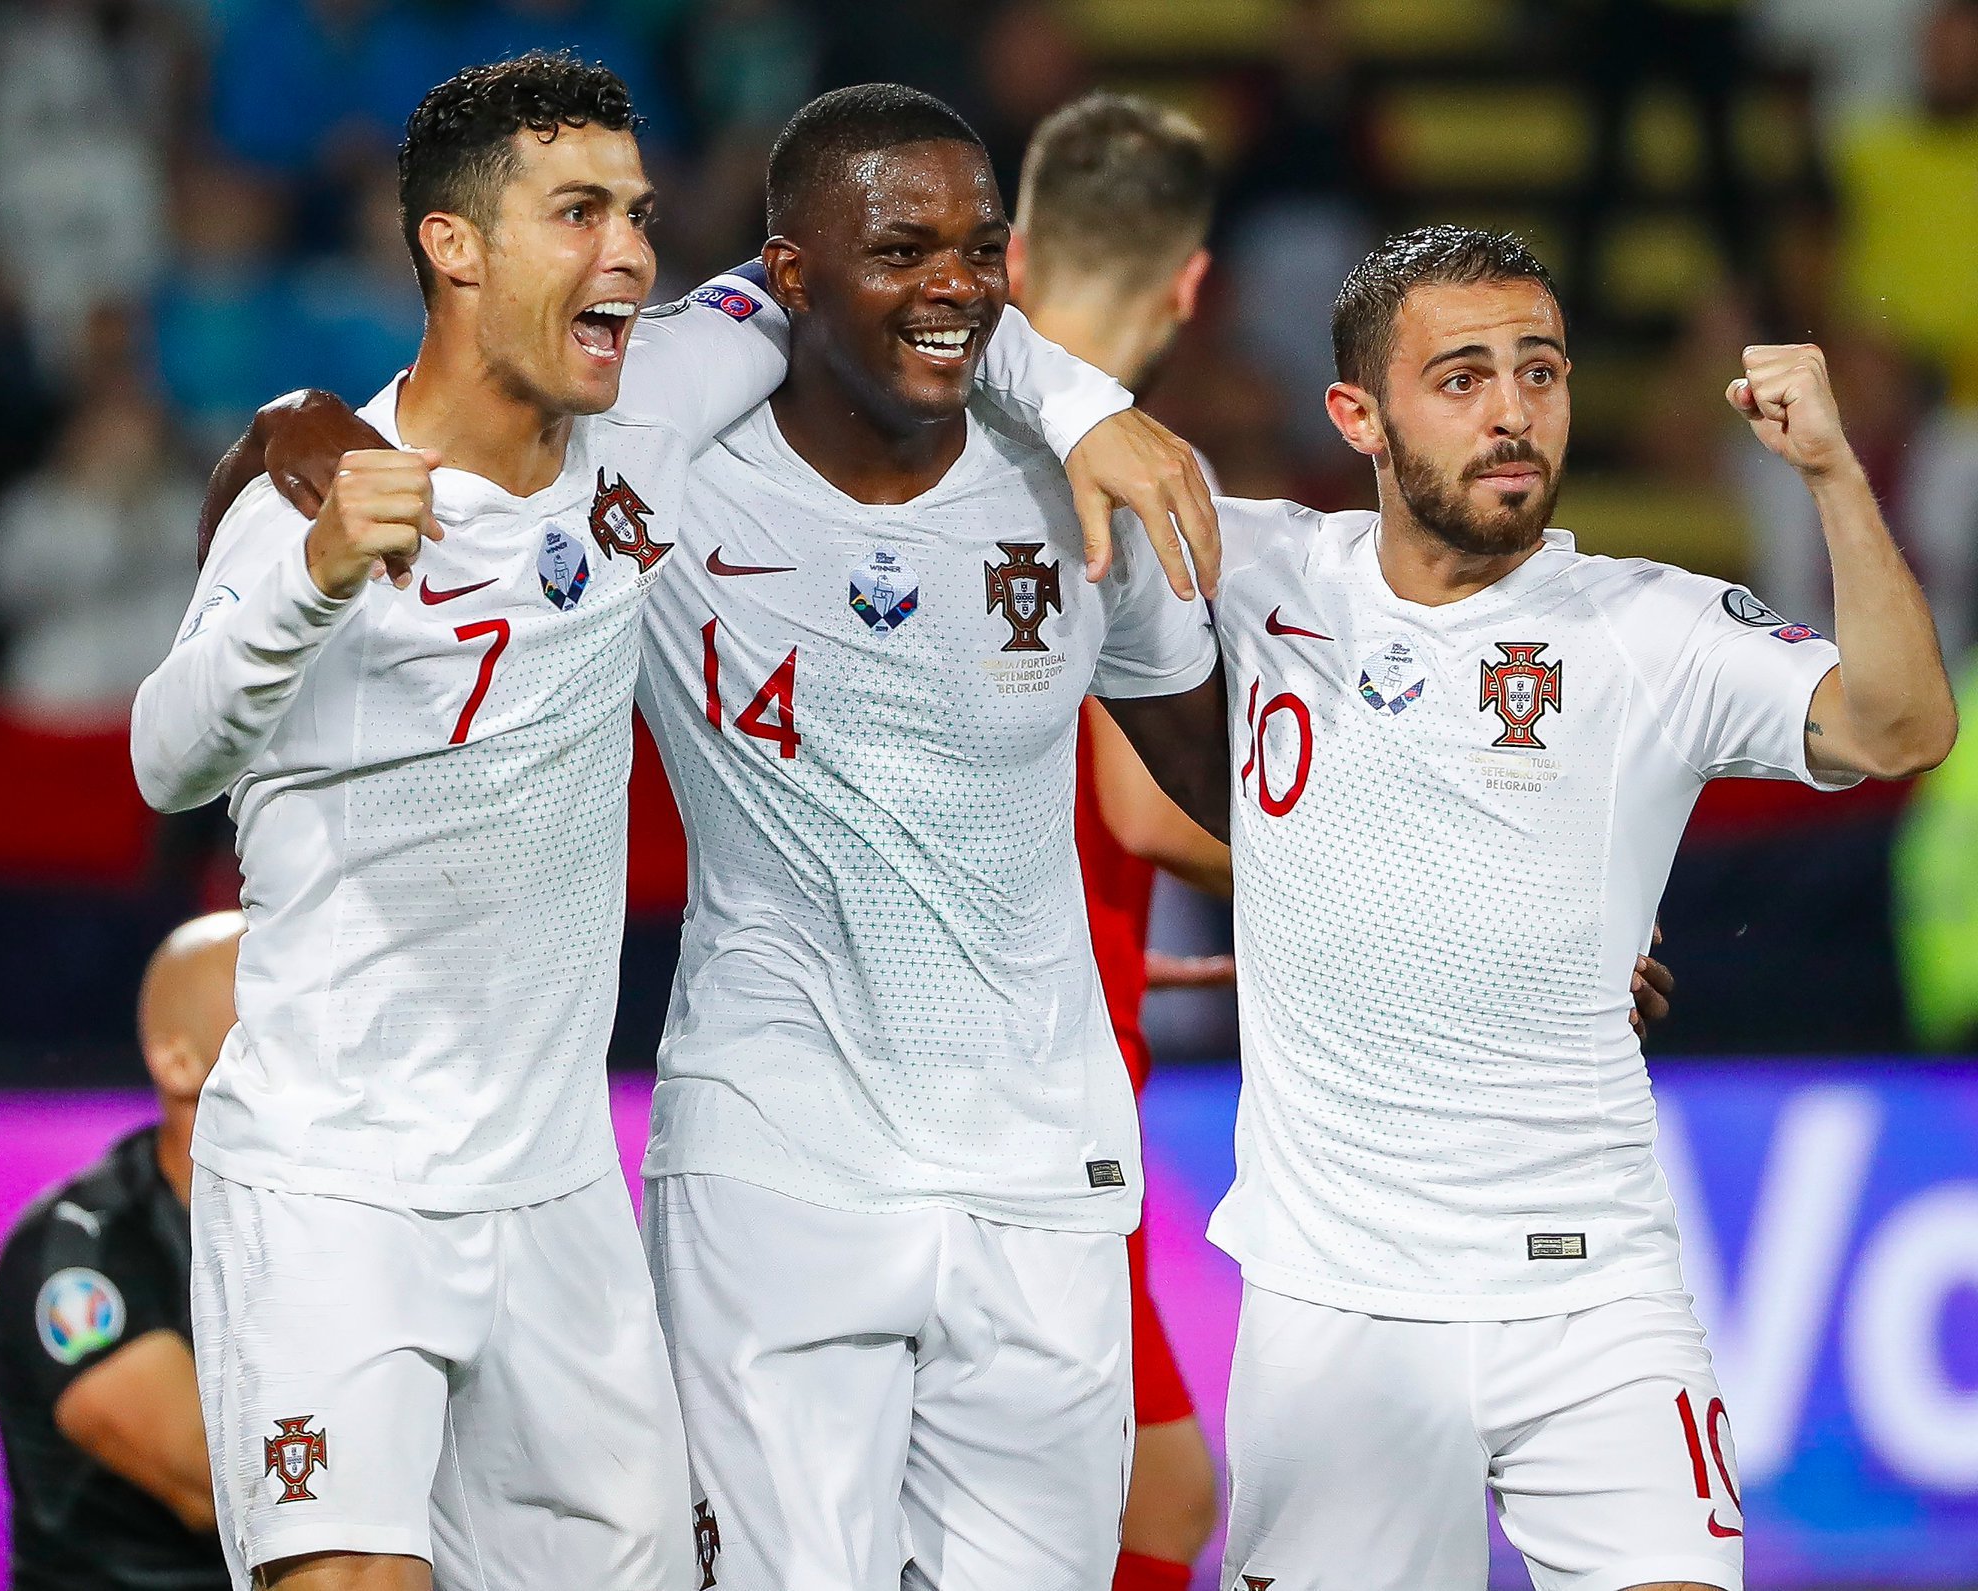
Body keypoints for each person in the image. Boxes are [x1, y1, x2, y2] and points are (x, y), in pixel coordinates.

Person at [151, 55, 1210, 1591]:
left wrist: (1087, 401)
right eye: (579, 213)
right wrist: (307, 554)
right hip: (343, 1163)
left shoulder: (658, 401)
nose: (631, 251)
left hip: (564, 1180)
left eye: (637, 212)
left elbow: (854, 290)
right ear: (458, 245)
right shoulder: (331, 493)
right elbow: (163, 752)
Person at [1142, 226, 1956, 1591]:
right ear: (1359, 415)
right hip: (1339, 1303)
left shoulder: (1654, 627)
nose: (1513, 410)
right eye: (1461, 377)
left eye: (1540, 370)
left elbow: (1900, 723)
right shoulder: (1265, 570)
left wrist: (1829, 470)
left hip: (1595, 1292)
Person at [628, 85, 1223, 1591]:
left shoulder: (1084, 493)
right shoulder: (666, 482)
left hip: (1040, 1171)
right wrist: (294, 440)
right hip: (778, 1161)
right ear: (790, 274)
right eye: (902, 247)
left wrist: (1478, 925)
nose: (954, 281)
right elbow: (525, 406)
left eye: (980, 246)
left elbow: (1219, 784)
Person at [1008, 90, 1229, 1591]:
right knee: (1156, 1493)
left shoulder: (918, 439)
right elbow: (1151, 797)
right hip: (1054, 1087)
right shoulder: (1135, 470)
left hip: (962, 1034)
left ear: (1010, 253)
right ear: (1193, 283)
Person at [0, 911, 243, 1591]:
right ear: (176, 1058)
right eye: (272, 1003)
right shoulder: (76, 1251)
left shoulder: (351, 1227)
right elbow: (213, 1481)